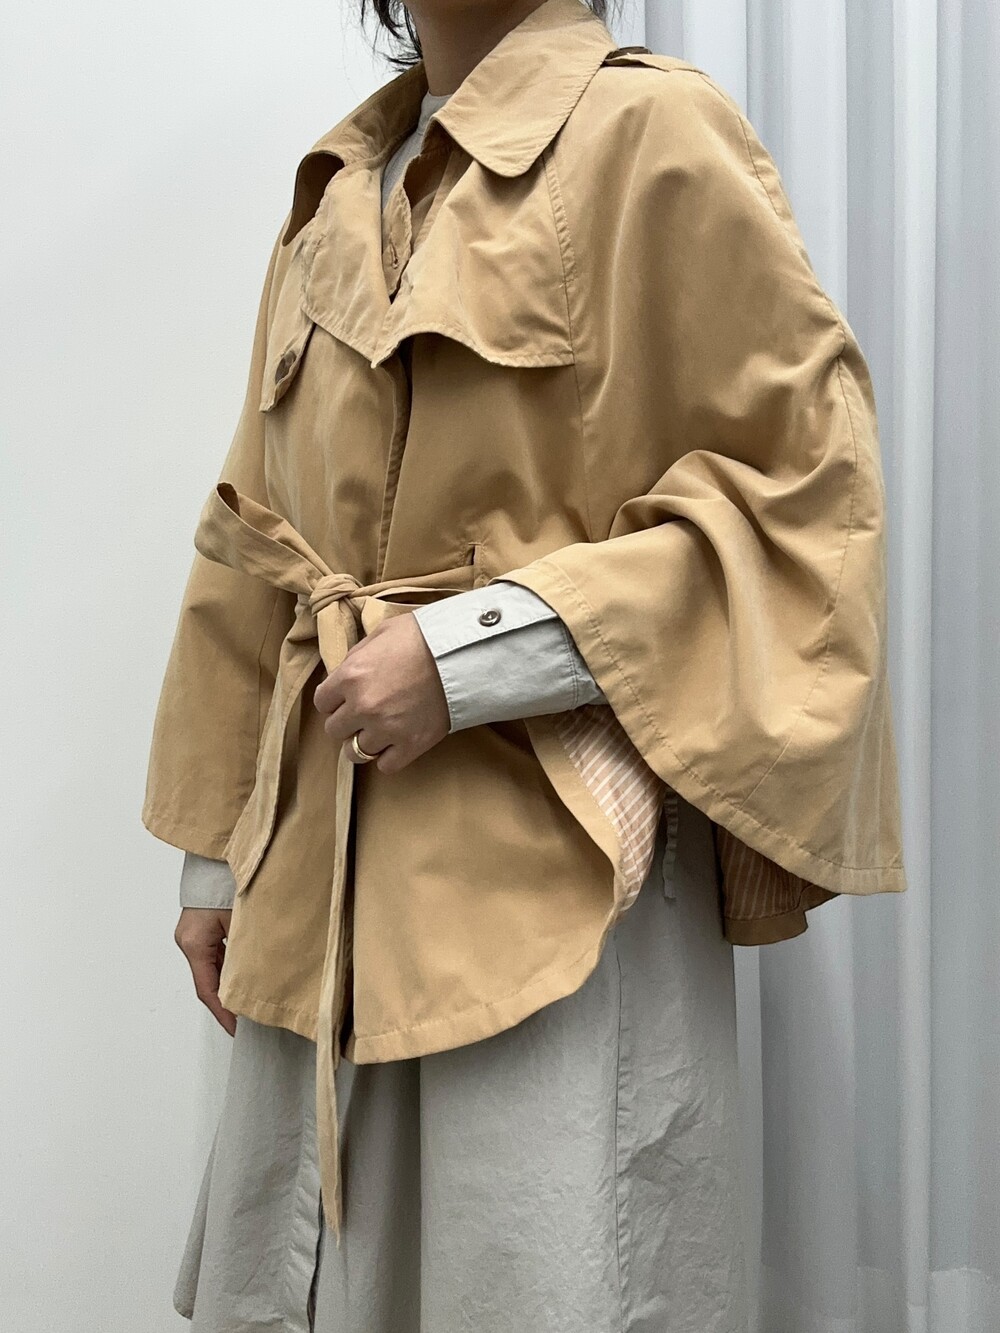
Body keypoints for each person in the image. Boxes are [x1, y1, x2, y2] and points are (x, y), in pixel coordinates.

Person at [143, 1, 907, 1328]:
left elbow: (804, 498)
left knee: (542, 1273)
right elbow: (251, 541)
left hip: (557, 880)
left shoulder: (653, 132)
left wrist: (474, 651)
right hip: (316, 877)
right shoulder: (340, 183)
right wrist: (216, 861)